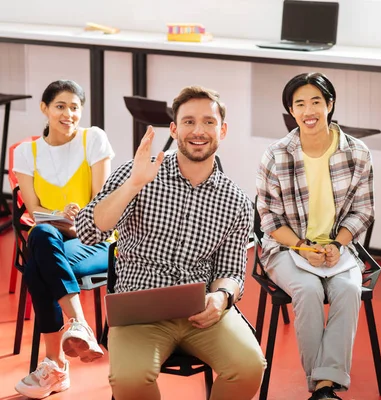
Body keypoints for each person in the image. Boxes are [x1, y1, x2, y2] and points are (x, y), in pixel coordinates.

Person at [75, 85, 266, 400]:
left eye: (208, 121)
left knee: (249, 367)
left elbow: (231, 271)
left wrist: (221, 297)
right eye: (189, 121)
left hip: (201, 310)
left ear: (223, 130)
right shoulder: (139, 173)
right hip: (139, 308)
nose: (198, 130)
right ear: (175, 129)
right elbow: (88, 232)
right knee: (130, 380)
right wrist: (133, 185)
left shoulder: (236, 201)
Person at [256, 72, 374, 400]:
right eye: (300, 104)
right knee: (307, 290)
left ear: (330, 105)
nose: (309, 111)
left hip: (339, 249)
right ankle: (323, 386)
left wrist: (338, 244)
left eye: (317, 102)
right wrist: (302, 247)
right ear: (291, 111)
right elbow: (269, 218)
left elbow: (362, 211)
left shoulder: (357, 153)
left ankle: (323, 387)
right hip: (285, 247)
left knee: (349, 289)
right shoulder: (276, 155)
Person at [12, 80, 115, 399]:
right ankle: (80, 324)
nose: (68, 113)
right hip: (54, 238)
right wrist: (62, 215)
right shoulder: (26, 152)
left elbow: (103, 202)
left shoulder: (93, 139)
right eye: (60, 106)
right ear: (44, 109)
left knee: (37, 268)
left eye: (75, 107)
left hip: (96, 240)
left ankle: (55, 365)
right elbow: (34, 209)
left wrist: (79, 216)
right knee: (42, 234)